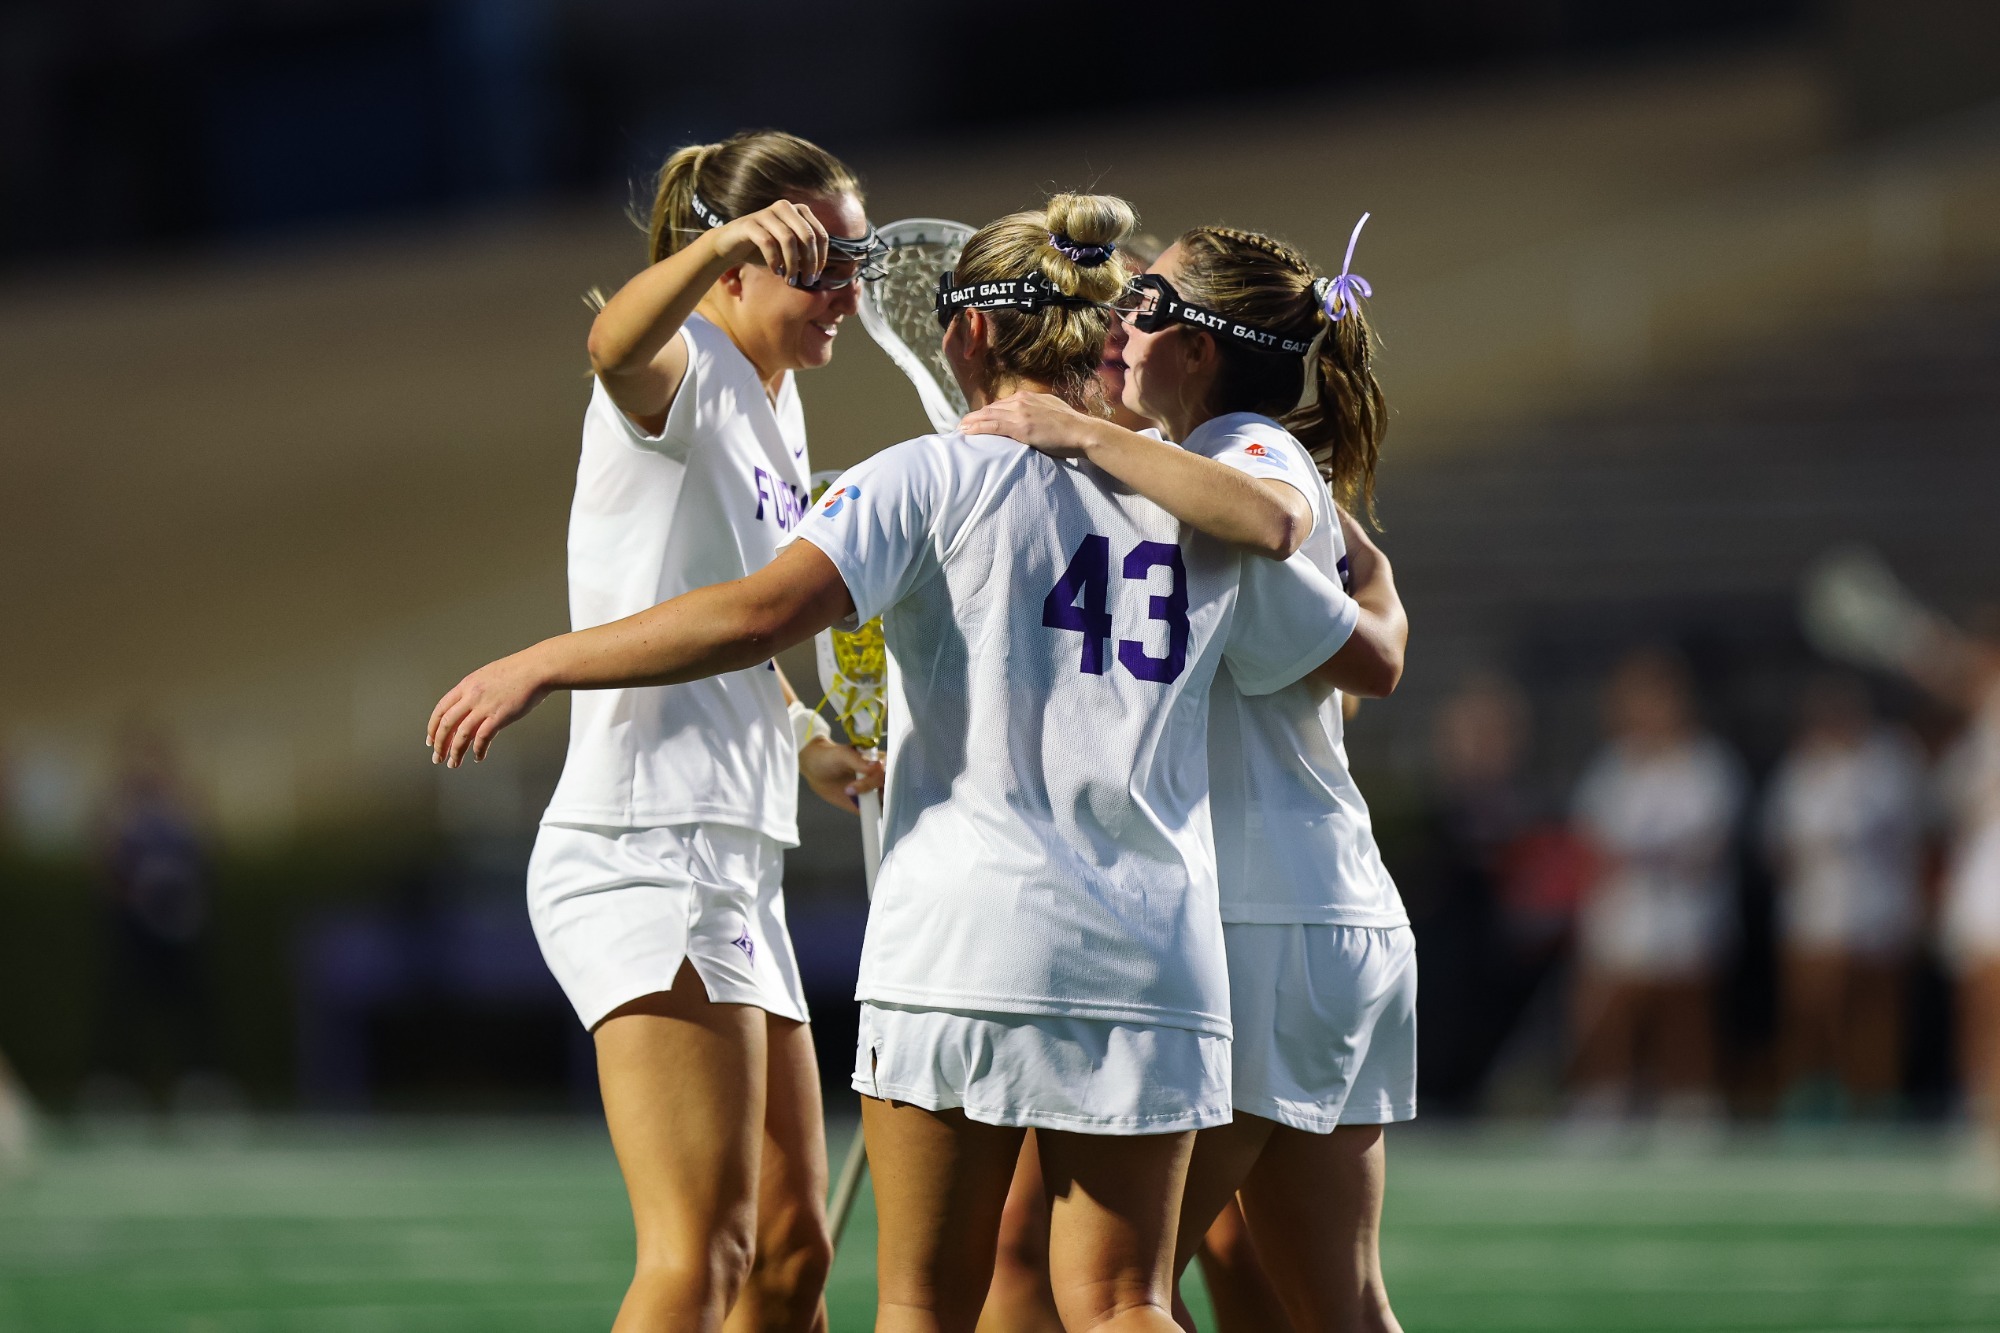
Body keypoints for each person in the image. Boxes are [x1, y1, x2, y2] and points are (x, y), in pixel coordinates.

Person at [427, 191, 1404, 1333]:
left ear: (965, 336)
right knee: (1121, 1302)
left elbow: (750, 617)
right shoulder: (1204, 508)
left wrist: (545, 661)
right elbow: (1355, 634)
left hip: (960, 938)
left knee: (923, 1307)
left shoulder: (921, 477)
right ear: (1100, 334)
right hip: (1158, 949)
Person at [961, 216, 1411, 1331]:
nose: (1115, 322)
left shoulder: (1236, 456)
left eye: (1144, 307)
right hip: (1325, 914)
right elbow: (1375, 654)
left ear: (1200, 346)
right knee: (1330, 1303)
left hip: (1256, 921)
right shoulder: (1192, 474)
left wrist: (1075, 431)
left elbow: (1267, 517)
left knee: (1061, 1279)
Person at [523, 129, 885, 1333]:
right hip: (644, 842)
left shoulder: (779, 412)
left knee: (789, 1257)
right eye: (816, 266)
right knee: (702, 1252)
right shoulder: (682, 369)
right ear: (732, 269)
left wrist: (805, 747)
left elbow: (738, 631)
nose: (844, 293)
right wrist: (717, 238)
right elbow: (607, 341)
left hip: (734, 847)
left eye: (852, 263)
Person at [1567, 648, 1745, 1123]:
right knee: (1612, 1013)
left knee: (1684, 1015)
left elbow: (1711, 844)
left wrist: (1655, 855)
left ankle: (1689, 1100)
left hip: (1687, 916)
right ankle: (1606, 1099)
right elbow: (1591, 844)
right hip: (1624, 916)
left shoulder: (1707, 765)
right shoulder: (1612, 768)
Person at [1762, 674, 1925, 1116]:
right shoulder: (1800, 770)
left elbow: (1906, 832)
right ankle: (1813, 1096)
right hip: (1814, 914)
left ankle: (1875, 1097)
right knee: (1812, 1010)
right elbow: (1778, 844)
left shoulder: (1890, 761)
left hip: (1879, 911)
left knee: (1875, 1014)